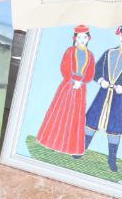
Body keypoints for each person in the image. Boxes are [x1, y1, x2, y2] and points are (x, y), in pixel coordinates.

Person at [83, 25, 122, 175]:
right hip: (103, 93)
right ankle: (82, 149)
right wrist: (100, 80)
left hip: (118, 97)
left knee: (115, 128)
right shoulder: (109, 53)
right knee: (91, 121)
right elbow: (96, 70)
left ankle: (112, 159)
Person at [34, 25, 94, 156]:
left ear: (88, 38)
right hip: (67, 85)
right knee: (60, 112)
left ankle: (69, 147)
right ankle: (51, 142)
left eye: (85, 37)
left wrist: (81, 81)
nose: (82, 40)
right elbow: (64, 67)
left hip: (80, 88)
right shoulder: (70, 51)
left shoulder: (90, 55)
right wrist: (72, 79)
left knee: (75, 116)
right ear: (75, 38)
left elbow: (90, 73)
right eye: (79, 37)